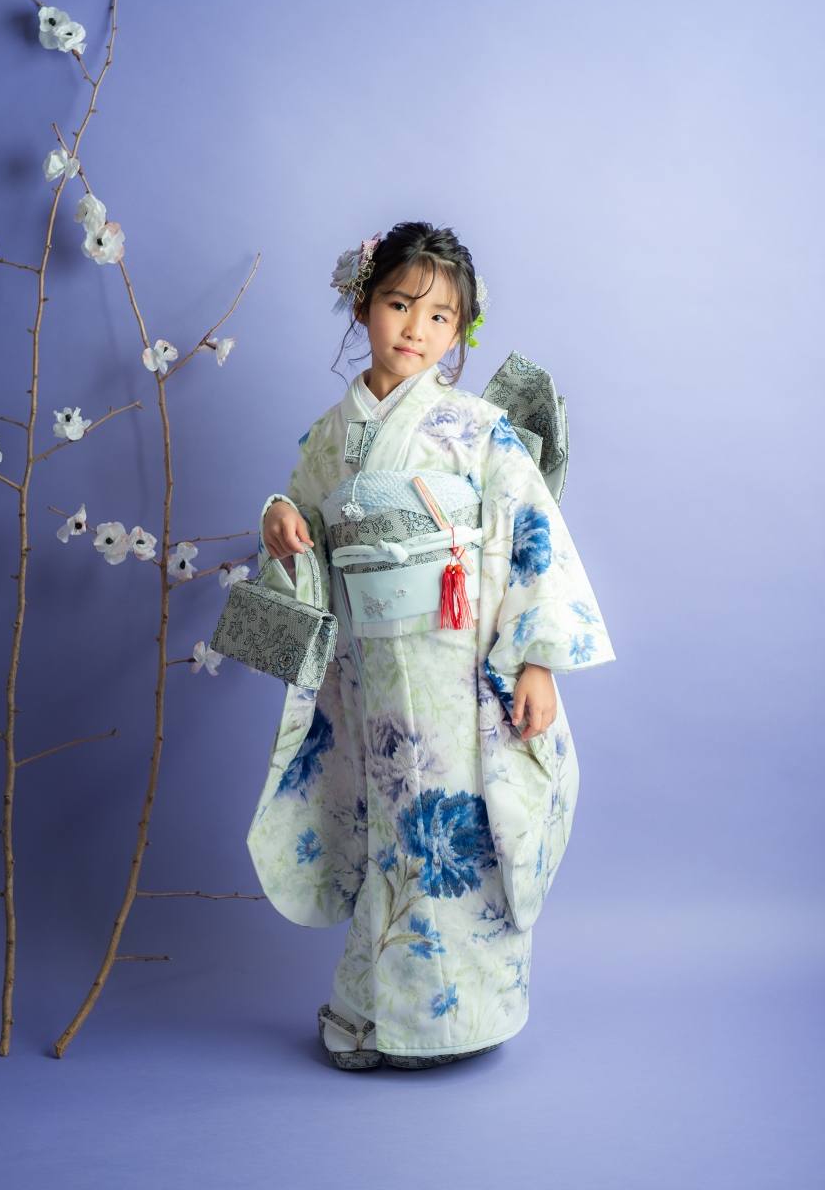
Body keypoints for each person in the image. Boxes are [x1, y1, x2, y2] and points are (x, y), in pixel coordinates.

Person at [252, 221, 614, 1070]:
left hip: (461, 672)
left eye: (440, 316)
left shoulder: (478, 429)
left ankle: (451, 1021)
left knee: (459, 832)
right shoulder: (330, 438)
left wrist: (537, 661)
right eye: (399, 304)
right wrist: (281, 519)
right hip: (375, 677)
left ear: (460, 332)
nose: (416, 328)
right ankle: (379, 1008)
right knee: (391, 830)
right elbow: (304, 534)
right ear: (363, 306)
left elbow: (533, 533)